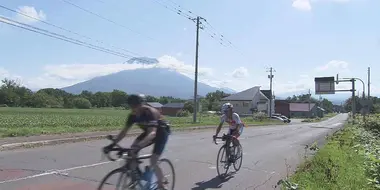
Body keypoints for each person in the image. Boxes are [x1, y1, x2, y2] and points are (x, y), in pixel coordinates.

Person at [103, 94, 170, 190]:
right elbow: (123, 132)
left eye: (136, 106)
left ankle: (161, 183)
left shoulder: (150, 112)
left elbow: (152, 133)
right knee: (132, 152)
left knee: (153, 160)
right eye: (131, 106)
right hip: (148, 132)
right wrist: (111, 145)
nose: (134, 109)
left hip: (161, 133)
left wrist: (139, 146)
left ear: (142, 104)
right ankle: (137, 179)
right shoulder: (132, 116)